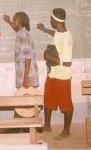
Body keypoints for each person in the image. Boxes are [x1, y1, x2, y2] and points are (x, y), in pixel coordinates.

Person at [37, 8, 74, 140]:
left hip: (62, 77)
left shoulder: (67, 38)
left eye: (51, 19)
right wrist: (44, 29)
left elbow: (67, 63)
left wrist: (47, 56)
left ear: (55, 20)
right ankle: (47, 125)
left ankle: (66, 131)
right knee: (48, 100)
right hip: (52, 74)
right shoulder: (59, 32)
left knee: (66, 105)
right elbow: (56, 34)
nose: (50, 20)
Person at [2, 12, 39, 89]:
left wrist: (25, 79)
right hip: (23, 75)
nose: (13, 21)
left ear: (21, 22)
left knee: (28, 100)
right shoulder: (20, 33)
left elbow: (27, 59)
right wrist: (8, 21)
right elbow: (15, 28)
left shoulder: (24, 37)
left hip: (28, 78)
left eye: (14, 20)